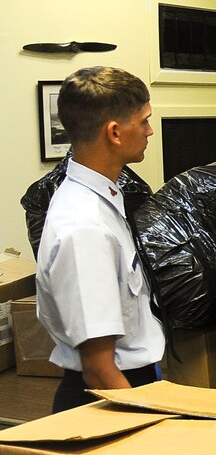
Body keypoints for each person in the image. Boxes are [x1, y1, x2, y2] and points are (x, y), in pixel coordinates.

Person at [35, 66, 165, 413]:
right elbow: (99, 368)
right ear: (115, 132)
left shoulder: (101, 199)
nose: (150, 130)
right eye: (144, 121)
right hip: (108, 396)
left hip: (129, 382)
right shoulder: (85, 225)